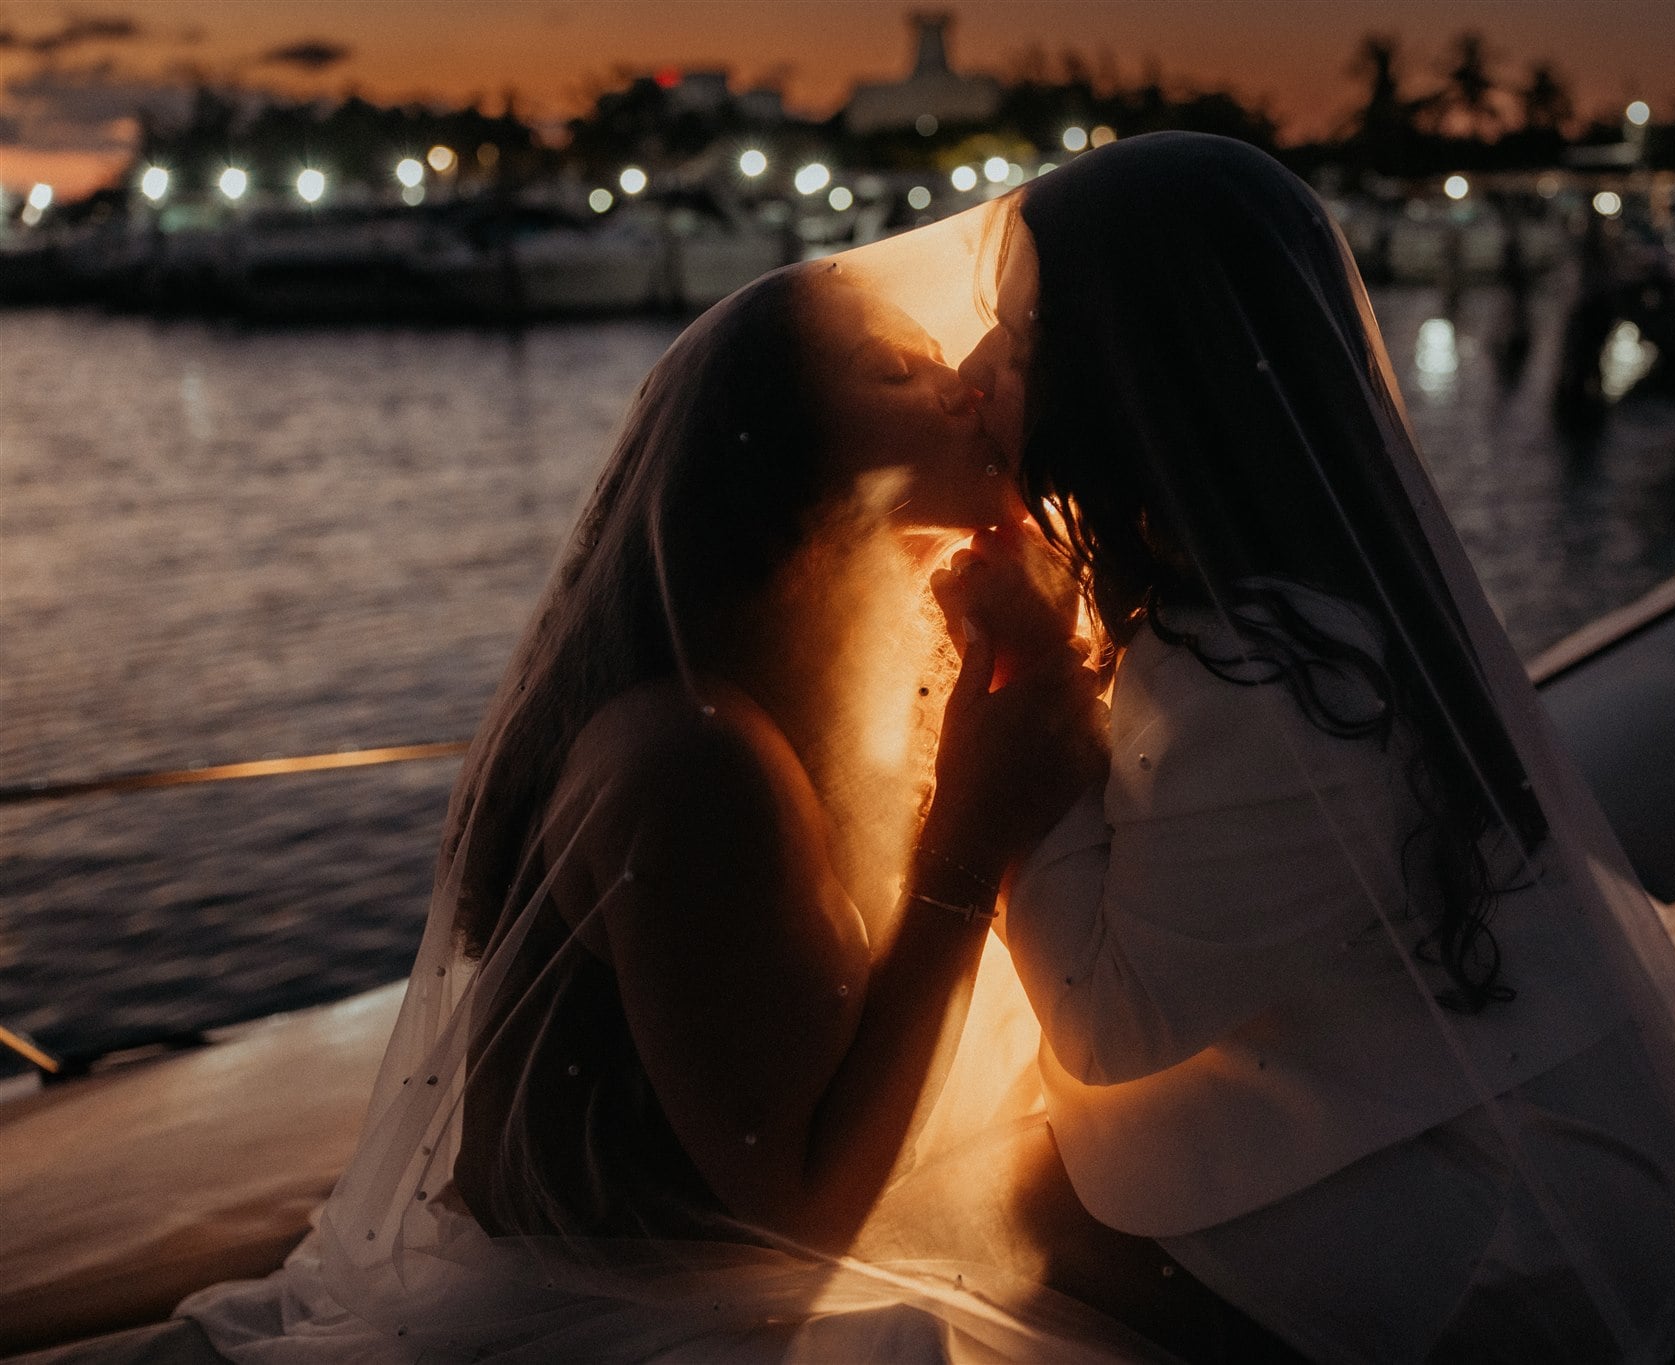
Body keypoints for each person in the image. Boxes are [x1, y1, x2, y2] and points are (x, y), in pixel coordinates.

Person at [944, 132, 1675, 1364]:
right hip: (1471, 1132)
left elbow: (1108, 1024)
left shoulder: (1268, 678)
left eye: (1015, 343)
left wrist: (1019, 740)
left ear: (1124, 378)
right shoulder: (1301, 599)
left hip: (1490, 1231)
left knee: (1026, 1217)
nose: (973, 370)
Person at [173, 256, 1279, 1362]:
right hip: (634, 1329)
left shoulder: (826, 704)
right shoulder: (696, 758)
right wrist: (971, 840)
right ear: (771, 456)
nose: (962, 386)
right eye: (893, 370)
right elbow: (795, 1214)